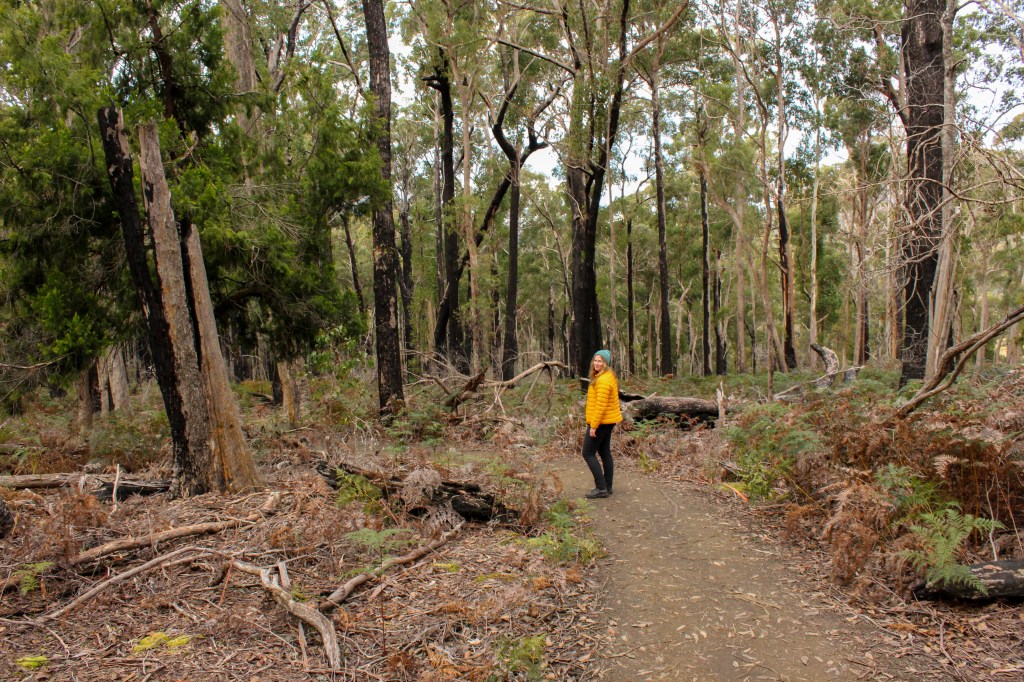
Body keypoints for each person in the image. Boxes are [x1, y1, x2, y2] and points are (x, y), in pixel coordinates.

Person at [582, 349, 622, 499]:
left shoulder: (604, 380)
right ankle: (608, 486)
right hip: (607, 421)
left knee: (587, 453)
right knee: (604, 452)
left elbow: (601, 405)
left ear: (606, 363)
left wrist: (593, 426)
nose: (597, 363)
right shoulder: (606, 376)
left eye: (600, 361)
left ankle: (601, 487)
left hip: (601, 422)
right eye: (596, 360)